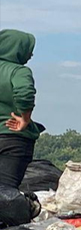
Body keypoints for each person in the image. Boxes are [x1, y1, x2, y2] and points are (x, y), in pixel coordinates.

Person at [0, 30, 42, 189]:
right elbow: (25, 93)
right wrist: (25, 118)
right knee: (5, 191)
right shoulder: (18, 71)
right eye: (28, 49)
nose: (31, 55)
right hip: (12, 138)